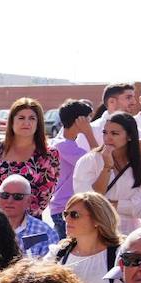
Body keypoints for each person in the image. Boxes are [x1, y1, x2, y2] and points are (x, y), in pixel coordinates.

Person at [0, 97, 61, 218]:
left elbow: (44, 196)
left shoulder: (49, 154)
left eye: (32, 118)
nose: (26, 122)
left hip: (28, 221)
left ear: (38, 123)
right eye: (21, 118)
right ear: (12, 121)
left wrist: (16, 220)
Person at [73, 112, 141, 235]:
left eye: (114, 133)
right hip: (95, 232)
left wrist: (105, 205)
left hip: (129, 235)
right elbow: (87, 200)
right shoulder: (89, 161)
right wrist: (107, 167)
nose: (108, 138)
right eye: (105, 133)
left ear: (130, 136)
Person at [46, 192, 123, 283]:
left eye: (74, 215)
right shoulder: (58, 254)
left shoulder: (119, 255)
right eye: (65, 214)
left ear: (97, 219)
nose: (67, 219)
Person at [46, 99, 100, 237]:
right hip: (66, 207)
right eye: (88, 118)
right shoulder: (64, 146)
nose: (90, 122)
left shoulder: (63, 143)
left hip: (63, 206)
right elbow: (96, 161)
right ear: (79, 120)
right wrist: (88, 133)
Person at [0, 174, 59, 258]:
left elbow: (50, 268)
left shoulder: (46, 233)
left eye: (17, 196)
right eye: (5, 195)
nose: (9, 201)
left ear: (29, 201)